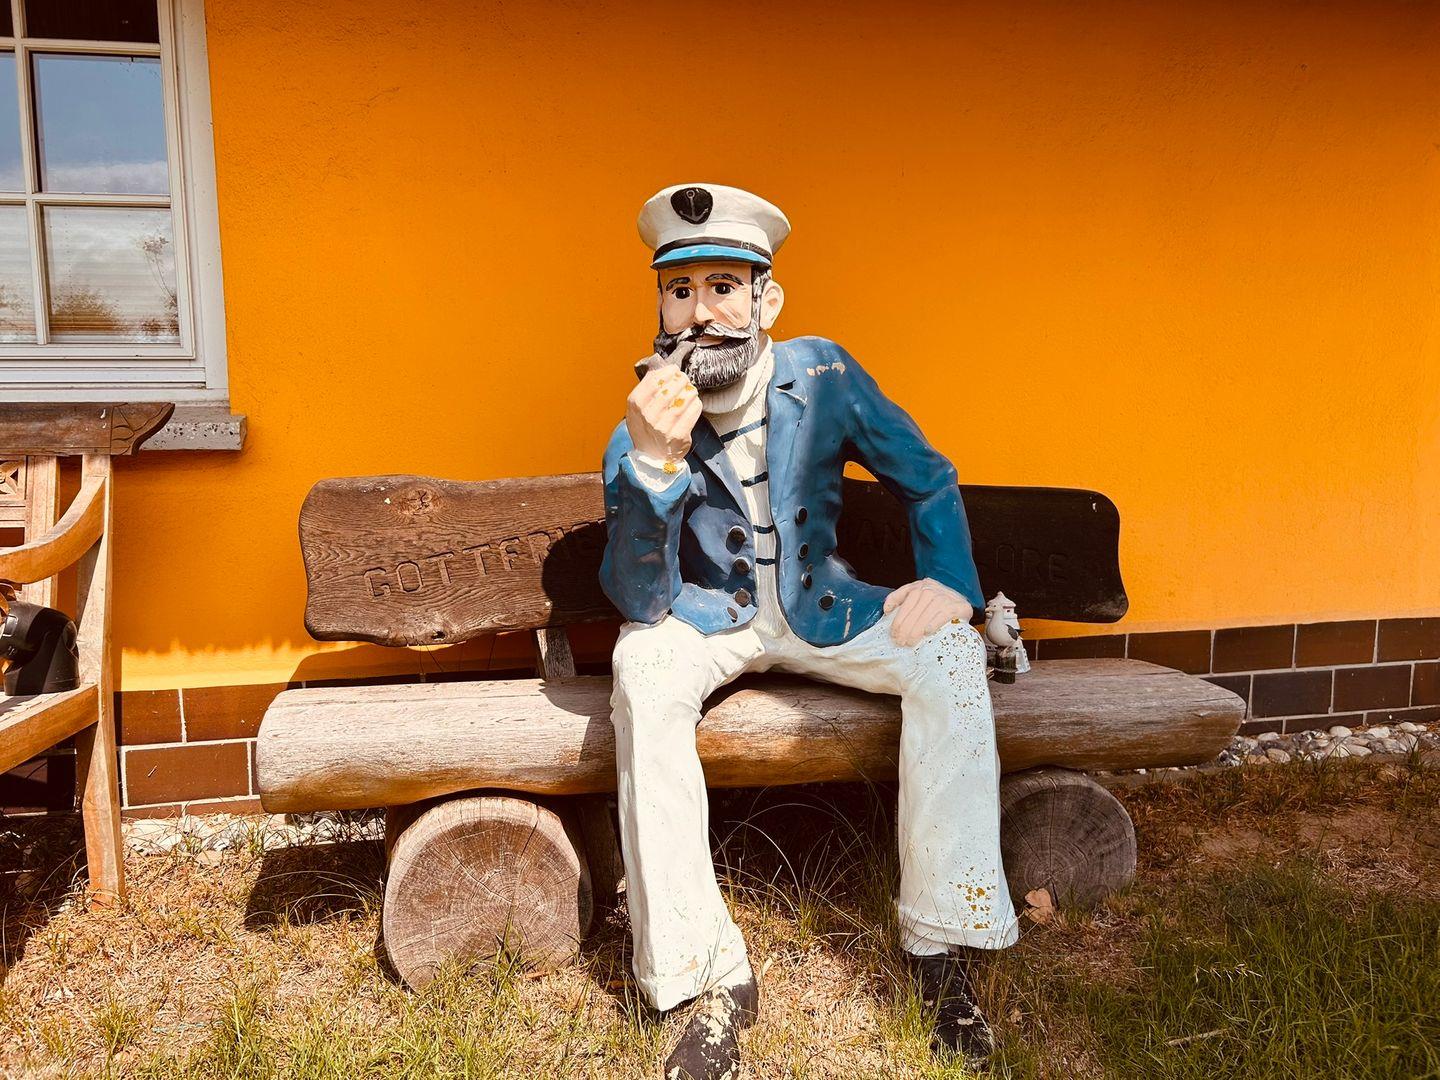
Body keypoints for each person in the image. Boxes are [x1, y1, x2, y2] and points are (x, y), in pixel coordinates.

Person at [600, 183, 1019, 1079]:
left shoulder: (824, 375)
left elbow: (927, 475)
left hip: (826, 610)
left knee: (950, 654)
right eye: (679, 291)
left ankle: (940, 943)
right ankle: (705, 975)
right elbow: (640, 598)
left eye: (723, 287)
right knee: (642, 670)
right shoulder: (641, 424)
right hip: (711, 617)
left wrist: (952, 583)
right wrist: (654, 466)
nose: (700, 313)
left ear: (767, 299)